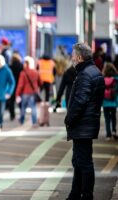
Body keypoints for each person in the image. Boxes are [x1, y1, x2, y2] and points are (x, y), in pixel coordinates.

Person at [65, 43, 105, 200]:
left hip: (83, 125)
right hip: (87, 124)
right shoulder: (93, 72)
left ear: (80, 57)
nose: (72, 58)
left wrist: (69, 118)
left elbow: (80, 101)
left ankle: (86, 195)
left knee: (84, 162)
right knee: (79, 161)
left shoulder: (85, 75)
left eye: (73, 55)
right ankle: (75, 193)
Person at [15, 56, 42, 127]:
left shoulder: (23, 73)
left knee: (23, 107)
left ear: (27, 64)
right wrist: (36, 87)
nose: (23, 64)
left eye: (25, 63)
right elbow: (40, 82)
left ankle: (21, 120)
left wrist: (17, 94)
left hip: (25, 93)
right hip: (33, 93)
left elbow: (20, 85)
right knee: (33, 107)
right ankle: (34, 122)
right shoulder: (36, 72)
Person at [102, 63, 118, 140]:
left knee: (107, 119)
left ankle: (108, 135)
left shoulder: (102, 79)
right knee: (113, 117)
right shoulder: (115, 80)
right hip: (113, 102)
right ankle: (114, 131)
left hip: (105, 103)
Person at [7, 52, 23, 120]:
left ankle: (12, 115)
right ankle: (22, 114)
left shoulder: (9, 67)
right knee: (20, 101)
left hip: (12, 86)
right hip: (20, 85)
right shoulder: (22, 66)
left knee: (11, 101)